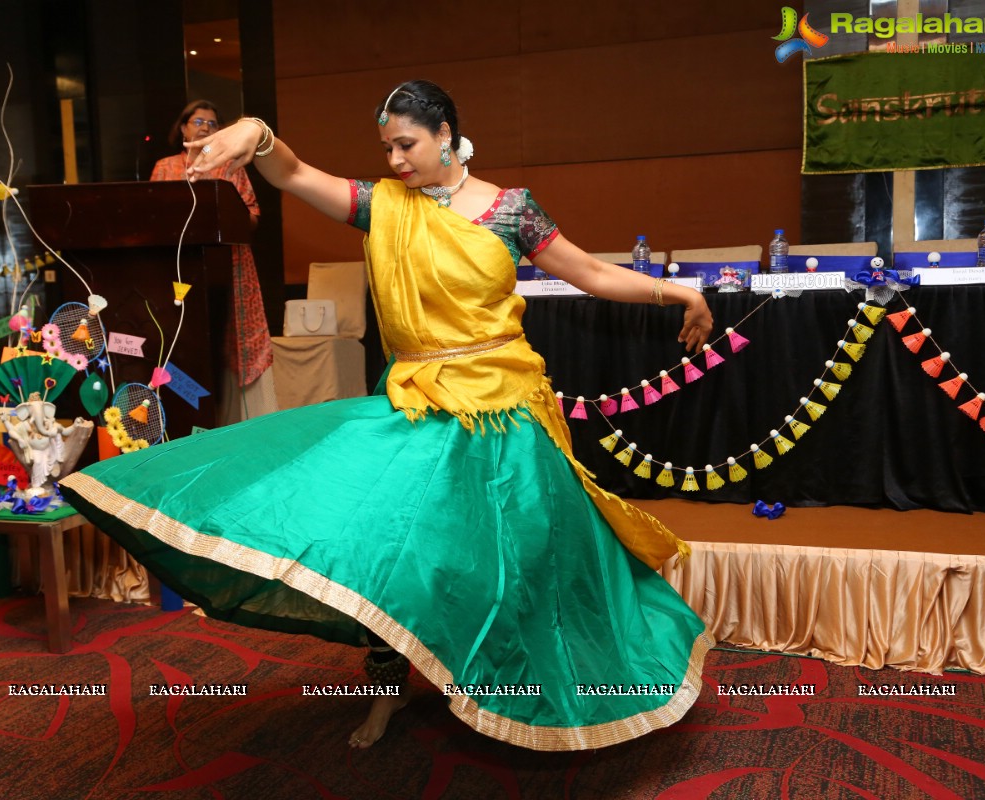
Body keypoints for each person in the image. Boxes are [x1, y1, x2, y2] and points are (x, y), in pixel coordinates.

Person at [62, 80, 715, 752]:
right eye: (387, 147)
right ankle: (386, 690)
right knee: (385, 554)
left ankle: (536, 687)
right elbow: (292, 173)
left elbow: (590, 273)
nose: (397, 159)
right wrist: (253, 134)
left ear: (446, 135)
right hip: (418, 407)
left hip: (506, 414)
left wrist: (677, 294)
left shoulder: (511, 210)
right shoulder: (382, 205)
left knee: (522, 563)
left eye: (407, 144)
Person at [151, 100, 276, 424]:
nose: (205, 128)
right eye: (198, 122)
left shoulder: (231, 165)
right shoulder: (164, 168)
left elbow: (252, 214)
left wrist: (226, 213)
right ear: (183, 127)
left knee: (220, 347)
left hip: (224, 268)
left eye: (212, 123)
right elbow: (150, 214)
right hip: (174, 269)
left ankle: (224, 421)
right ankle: (181, 419)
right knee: (181, 343)